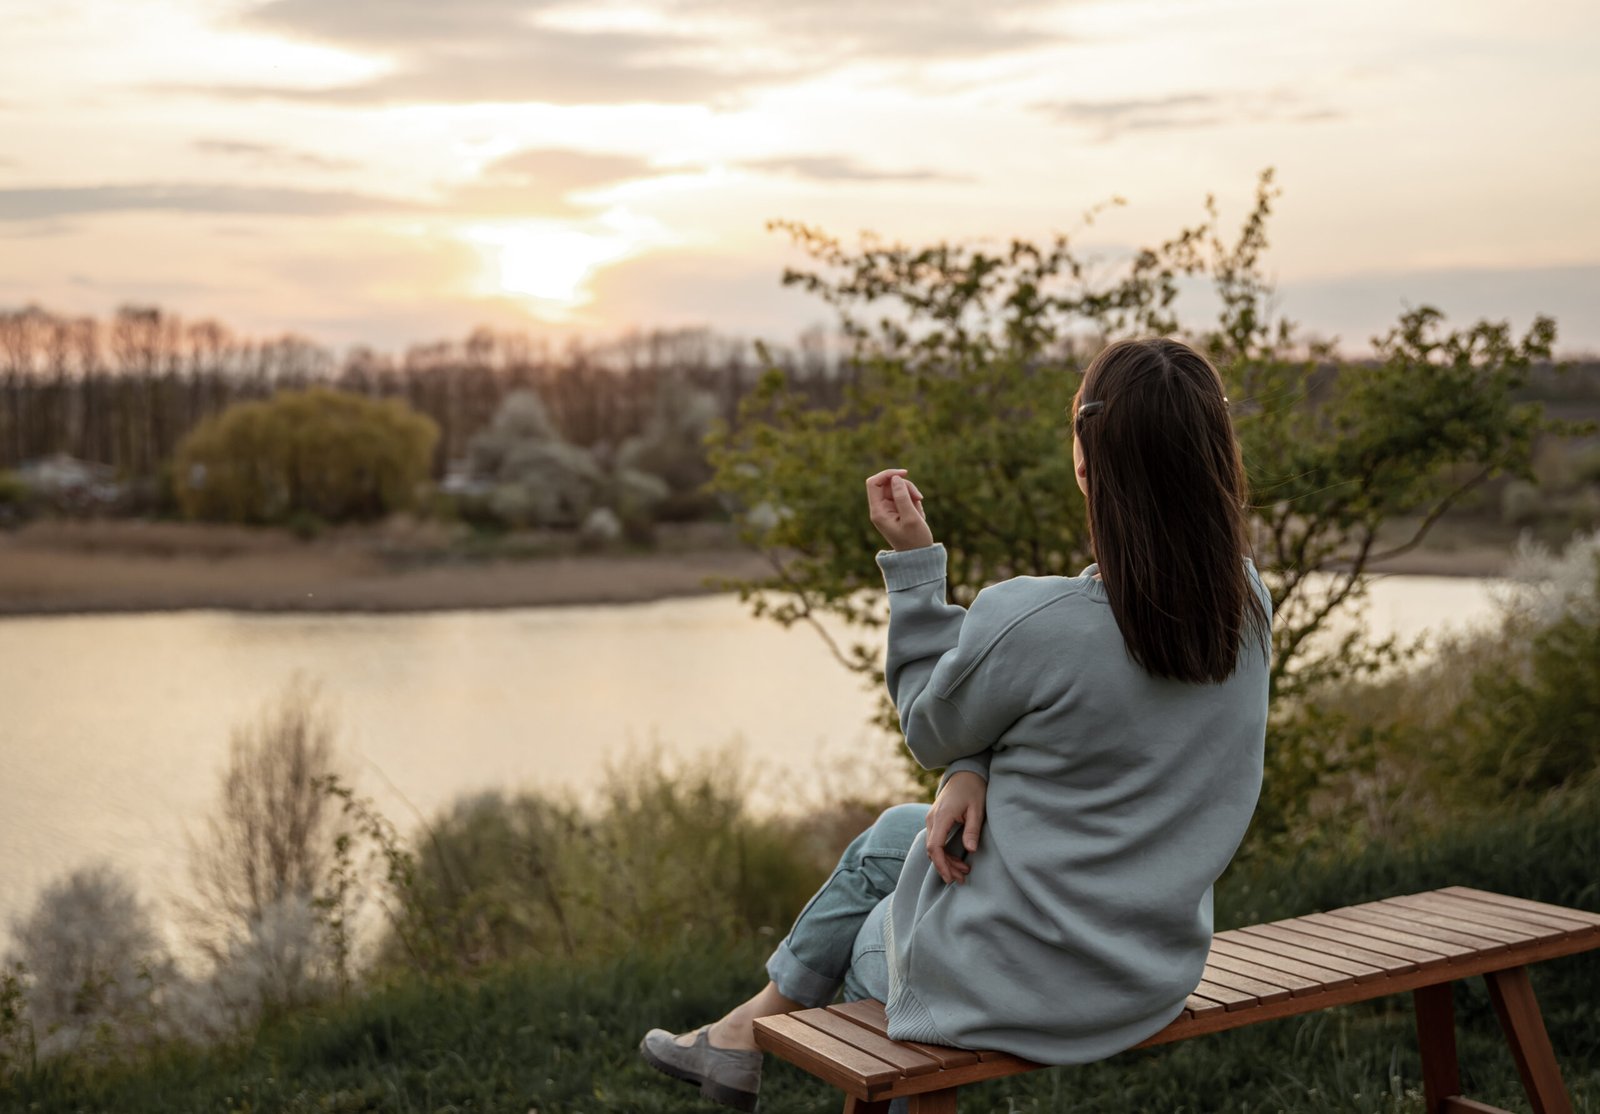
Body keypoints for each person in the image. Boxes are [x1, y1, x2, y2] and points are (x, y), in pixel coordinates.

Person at [640, 336, 1274, 1112]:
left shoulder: (1033, 620)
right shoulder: (1243, 605)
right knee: (893, 836)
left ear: (1086, 461)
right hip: (1148, 974)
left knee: (870, 933)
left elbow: (929, 722)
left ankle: (750, 1037)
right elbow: (1080, 723)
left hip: (1016, 991)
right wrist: (969, 771)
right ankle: (737, 1040)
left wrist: (916, 566)